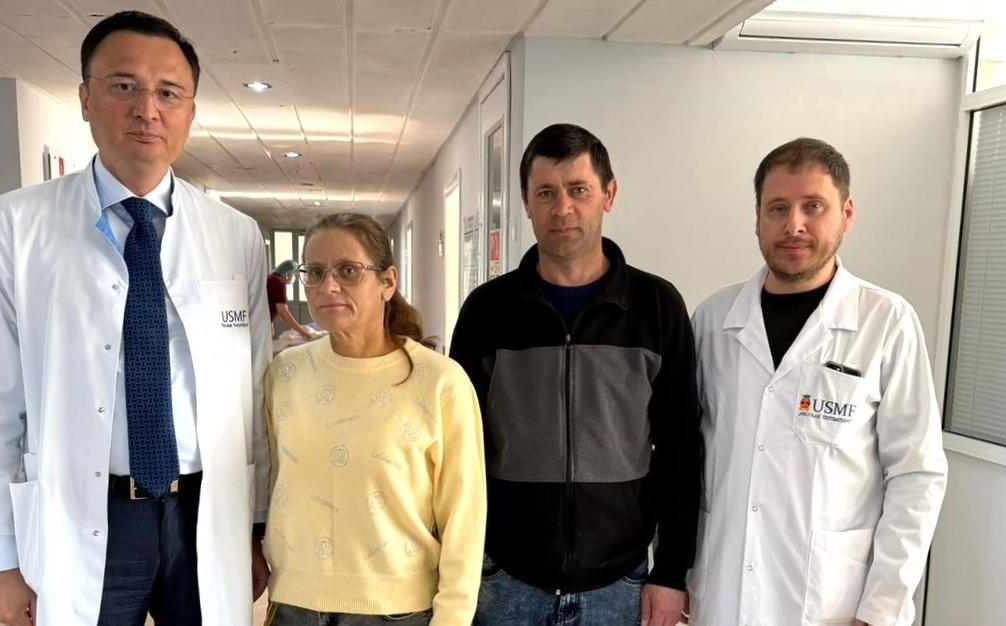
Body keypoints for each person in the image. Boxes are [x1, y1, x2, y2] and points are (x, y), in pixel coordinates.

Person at [0, 10, 271, 626]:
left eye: (168, 93)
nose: (147, 109)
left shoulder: (235, 235)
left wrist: (254, 528)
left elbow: (253, 395)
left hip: (204, 512)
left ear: (190, 111)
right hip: (84, 512)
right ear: (85, 99)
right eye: (124, 86)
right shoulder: (16, 226)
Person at [688, 138, 948, 626]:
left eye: (814, 206)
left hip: (829, 602)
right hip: (720, 592)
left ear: (846, 214)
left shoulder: (885, 321)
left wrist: (882, 607)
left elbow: (916, 474)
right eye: (778, 208)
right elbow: (686, 458)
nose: (794, 225)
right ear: (757, 218)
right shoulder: (713, 320)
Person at [449, 123, 701, 626]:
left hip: (619, 585)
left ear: (609, 194)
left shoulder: (656, 307)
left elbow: (681, 448)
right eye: (546, 193)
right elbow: (457, 452)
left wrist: (672, 571)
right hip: (504, 581)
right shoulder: (487, 311)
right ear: (525, 201)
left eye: (578, 190)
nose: (562, 209)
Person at [259, 213, 486, 626]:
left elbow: (464, 518)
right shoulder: (285, 373)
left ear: (388, 282)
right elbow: (272, 481)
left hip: (394, 612)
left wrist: (453, 618)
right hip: (294, 605)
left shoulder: (439, 382)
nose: (328, 286)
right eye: (315, 272)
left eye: (348, 271)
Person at [268, 260, 315, 340]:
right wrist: (302, 332)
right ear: (287, 273)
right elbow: (283, 312)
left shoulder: (272, 278)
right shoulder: (277, 282)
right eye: (294, 275)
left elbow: (276, 304)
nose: (295, 278)